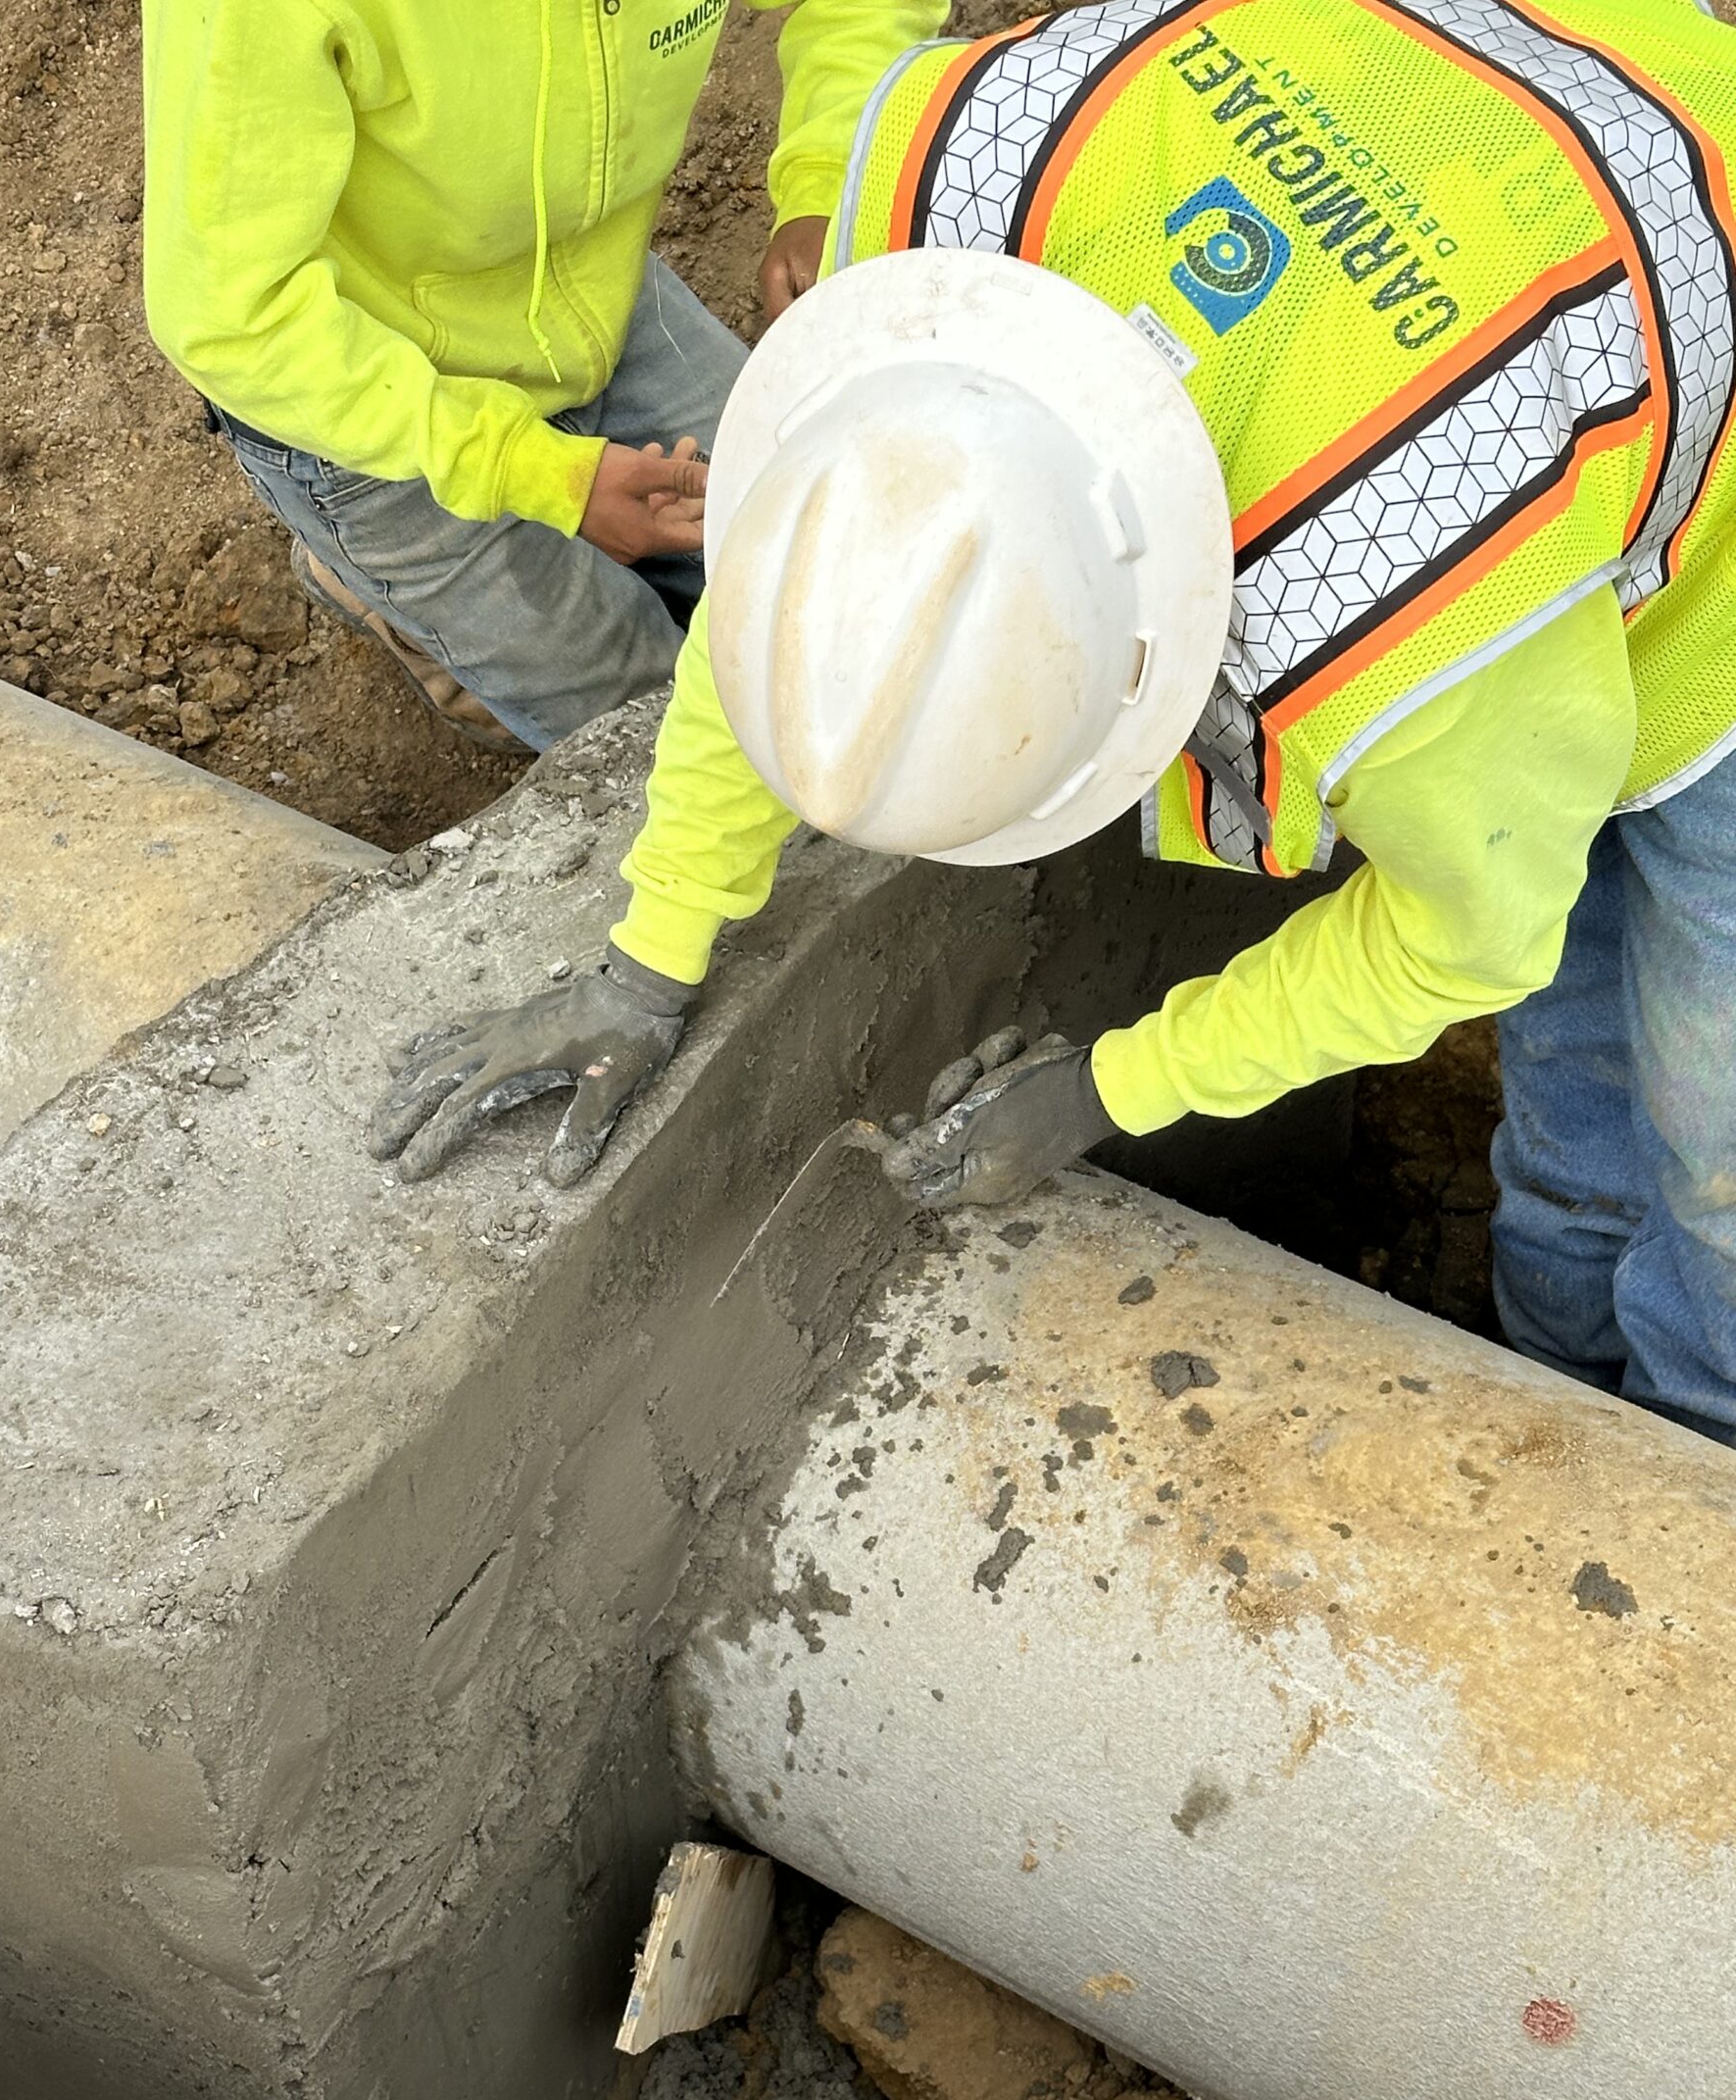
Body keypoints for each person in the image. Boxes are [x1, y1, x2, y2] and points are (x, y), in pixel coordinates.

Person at [371, 0, 1736, 1445]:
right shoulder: (946, 247)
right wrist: (649, 959)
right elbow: (816, 587)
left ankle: (1694, 1449)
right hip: (1516, 156)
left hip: (1677, 361)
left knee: (1713, 1146)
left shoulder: (1394, 619)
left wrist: (1114, 1087)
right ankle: (1563, 1370)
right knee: (1579, 1063)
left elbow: (1469, 936)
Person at [140, 0, 945, 752]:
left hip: (592, 299)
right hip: (362, 399)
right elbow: (229, 314)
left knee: (859, 571)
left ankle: (445, 588)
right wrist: (535, 474)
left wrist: (828, 181)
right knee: (664, 734)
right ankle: (388, 588)